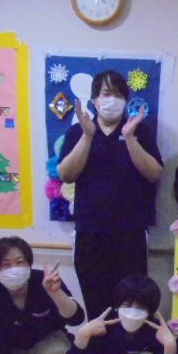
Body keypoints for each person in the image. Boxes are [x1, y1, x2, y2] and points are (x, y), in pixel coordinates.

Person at [57, 70, 163, 320]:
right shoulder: (78, 132)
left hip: (130, 233)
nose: (112, 99)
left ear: (125, 100)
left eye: (118, 94)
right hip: (90, 233)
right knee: (96, 304)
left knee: (133, 304)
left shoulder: (141, 131)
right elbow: (66, 174)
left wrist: (129, 138)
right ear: (95, 100)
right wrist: (87, 136)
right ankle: (98, 344)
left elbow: (154, 174)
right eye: (106, 93)